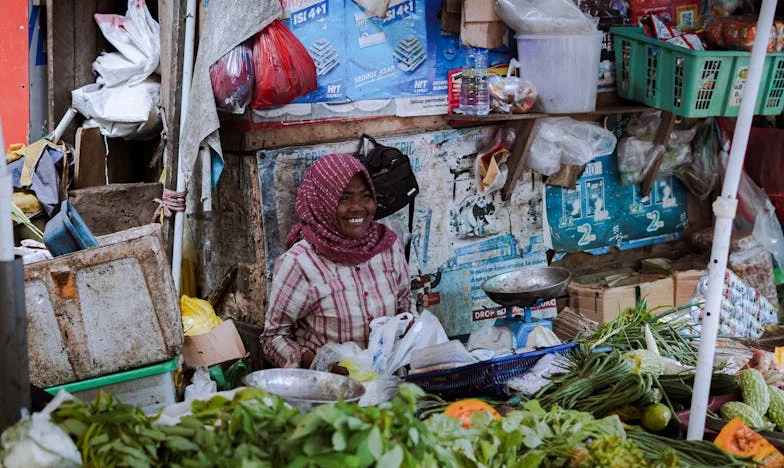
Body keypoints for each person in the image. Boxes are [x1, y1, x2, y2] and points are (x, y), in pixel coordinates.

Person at [261, 153, 416, 369]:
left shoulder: (387, 247)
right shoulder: (300, 263)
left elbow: (406, 303)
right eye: (344, 198)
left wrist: (410, 336)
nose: (357, 207)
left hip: (388, 387)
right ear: (322, 202)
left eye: (365, 196)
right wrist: (322, 364)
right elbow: (273, 338)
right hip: (330, 393)